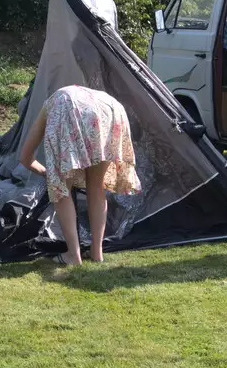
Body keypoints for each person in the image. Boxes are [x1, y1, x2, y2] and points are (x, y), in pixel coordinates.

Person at [18, 84, 141, 264]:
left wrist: (49, 175)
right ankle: (96, 252)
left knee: (61, 190)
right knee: (96, 186)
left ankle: (73, 255)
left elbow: (25, 157)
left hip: (69, 107)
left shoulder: (50, 106)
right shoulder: (73, 95)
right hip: (111, 109)